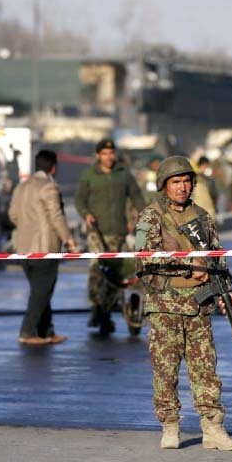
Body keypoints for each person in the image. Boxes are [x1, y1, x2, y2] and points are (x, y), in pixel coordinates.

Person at [136, 156, 232, 451]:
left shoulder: (203, 216)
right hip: (165, 304)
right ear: (164, 186)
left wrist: (225, 289)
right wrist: (186, 264)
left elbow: (217, 254)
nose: (182, 187)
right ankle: (170, 426)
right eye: (176, 182)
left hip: (198, 305)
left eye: (186, 181)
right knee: (166, 369)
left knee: (205, 368)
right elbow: (144, 255)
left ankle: (213, 427)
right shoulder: (151, 216)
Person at [75, 138, 145, 336]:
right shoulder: (89, 176)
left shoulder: (124, 175)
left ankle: (117, 307)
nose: (108, 157)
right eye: (104, 154)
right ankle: (96, 307)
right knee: (98, 269)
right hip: (97, 232)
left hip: (119, 232)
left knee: (120, 272)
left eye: (111, 153)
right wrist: (86, 214)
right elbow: (80, 200)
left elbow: (137, 197)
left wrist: (146, 215)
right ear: (98, 155)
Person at [9, 150, 77, 346]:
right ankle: (27, 332)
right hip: (45, 247)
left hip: (23, 248)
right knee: (41, 292)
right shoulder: (49, 187)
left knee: (41, 290)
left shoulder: (21, 187)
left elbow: (13, 215)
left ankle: (47, 331)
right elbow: (56, 217)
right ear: (53, 168)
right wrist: (69, 240)